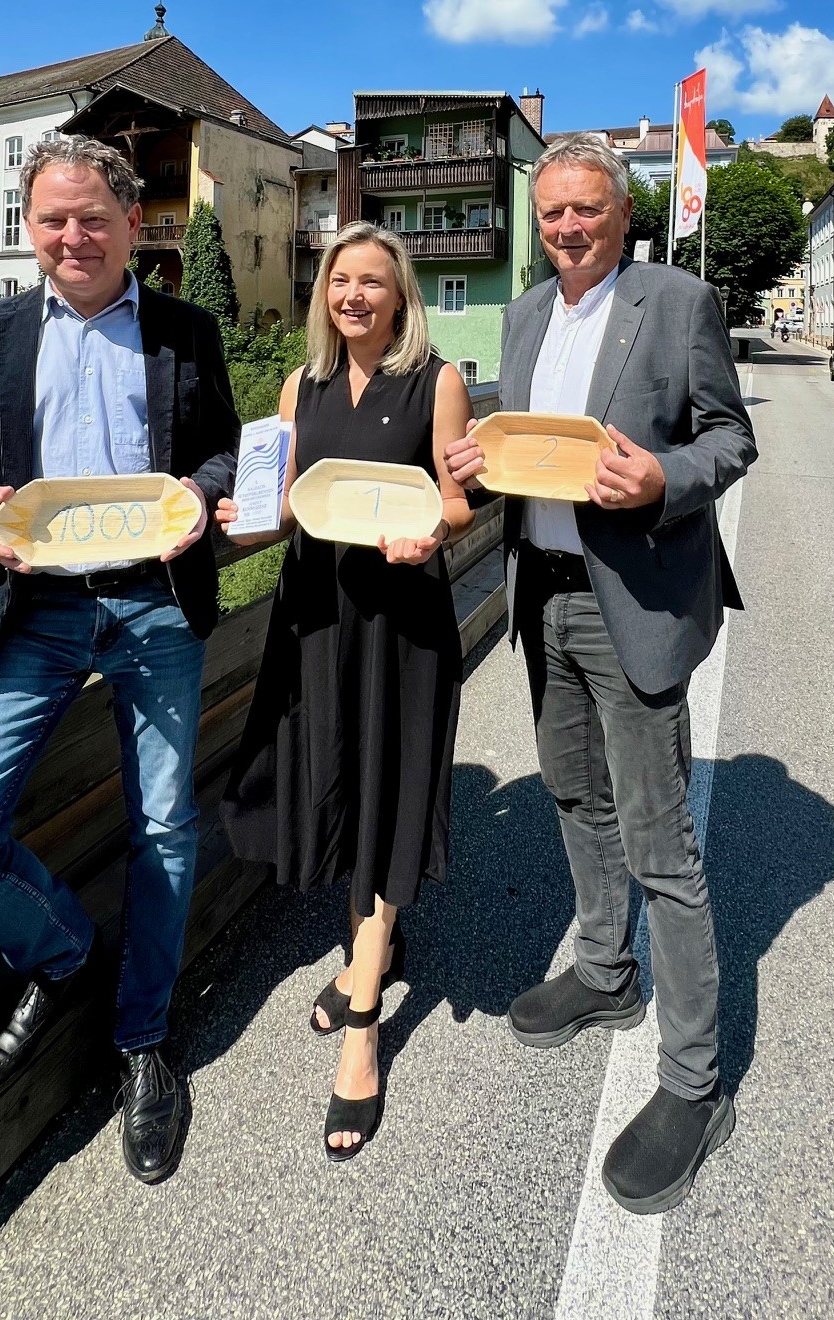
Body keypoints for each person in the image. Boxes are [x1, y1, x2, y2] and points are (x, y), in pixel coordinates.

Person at [0, 135, 239, 1185]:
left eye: (92, 218)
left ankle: (143, 1041)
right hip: (28, 612)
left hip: (154, 605)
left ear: (134, 224)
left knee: (165, 826)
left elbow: (219, 446)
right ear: (29, 228)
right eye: (52, 219)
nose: (72, 237)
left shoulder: (184, 331)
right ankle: (63, 950)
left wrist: (199, 498)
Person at [445, 134, 756, 1216]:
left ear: (623, 215)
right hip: (542, 591)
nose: (567, 229)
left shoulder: (676, 301)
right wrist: (473, 466)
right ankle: (604, 972)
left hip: (638, 596)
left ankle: (694, 1084)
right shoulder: (526, 315)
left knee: (661, 844)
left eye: (585, 211)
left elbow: (730, 438)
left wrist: (662, 476)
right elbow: (519, 443)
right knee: (576, 797)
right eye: (551, 215)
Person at [217, 221, 473, 1160]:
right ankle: (376, 946)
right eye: (339, 282)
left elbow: (456, 499)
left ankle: (364, 1016)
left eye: (372, 281)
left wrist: (435, 534)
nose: (353, 295)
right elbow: (275, 505)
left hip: (400, 620)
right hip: (317, 616)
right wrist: (231, 519)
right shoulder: (301, 385)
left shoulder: (435, 382)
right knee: (333, 776)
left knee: (387, 791)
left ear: (400, 294)